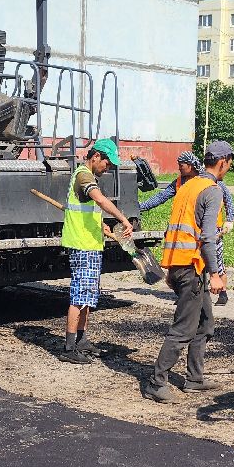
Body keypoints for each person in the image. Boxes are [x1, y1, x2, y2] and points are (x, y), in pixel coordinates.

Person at [144, 141, 234, 402]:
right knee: (183, 329)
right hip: (193, 269)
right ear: (223, 161)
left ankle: (195, 378)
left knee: (205, 323)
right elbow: (207, 238)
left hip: (181, 264)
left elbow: (178, 228)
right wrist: (217, 274)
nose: (229, 167)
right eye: (230, 163)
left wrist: (171, 269)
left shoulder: (187, 186)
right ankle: (156, 382)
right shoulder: (211, 190)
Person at [60, 138, 133, 364]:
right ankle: (69, 347)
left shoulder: (88, 175)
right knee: (79, 295)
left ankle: (81, 340)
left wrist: (99, 224)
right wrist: (123, 219)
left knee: (89, 295)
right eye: (107, 163)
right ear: (96, 157)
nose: (108, 168)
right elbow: (99, 200)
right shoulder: (83, 175)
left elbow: (87, 208)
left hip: (90, 243)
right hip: (82, 245)